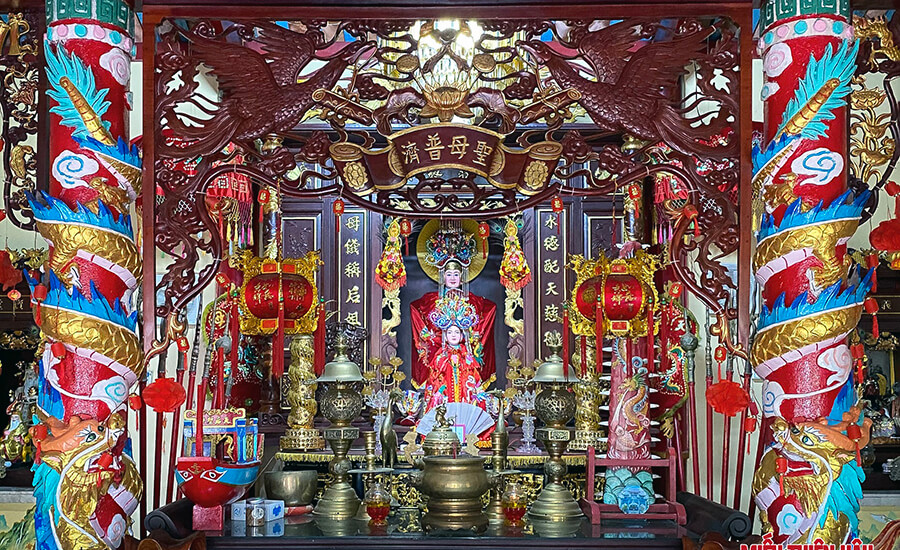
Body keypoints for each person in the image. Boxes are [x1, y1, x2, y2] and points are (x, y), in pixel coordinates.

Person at [410, 259, 496, 387]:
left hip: (464, 352)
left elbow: (488, 311)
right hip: (439, 351)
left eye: (456, 274)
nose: (452, 278)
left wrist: (468, 336)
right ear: (442, 276)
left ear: (462, 277)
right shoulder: (431, 300)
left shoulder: (472, 300)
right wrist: (434, 337)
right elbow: (416, 310)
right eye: (448, 274)